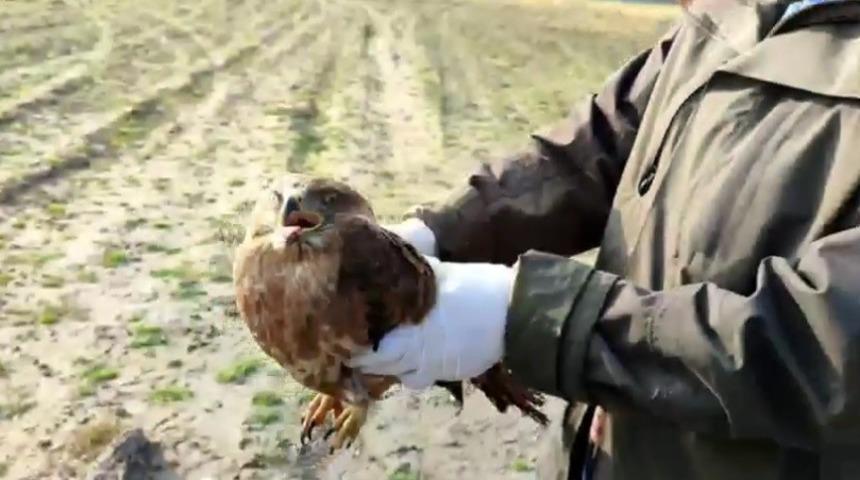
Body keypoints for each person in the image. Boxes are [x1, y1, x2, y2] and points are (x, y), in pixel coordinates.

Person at [348, 0, 860, 478]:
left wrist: (536, 319)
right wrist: (433, 236)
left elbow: (821, 348)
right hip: (602, 449)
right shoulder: (737, 12)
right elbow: (600, 142)